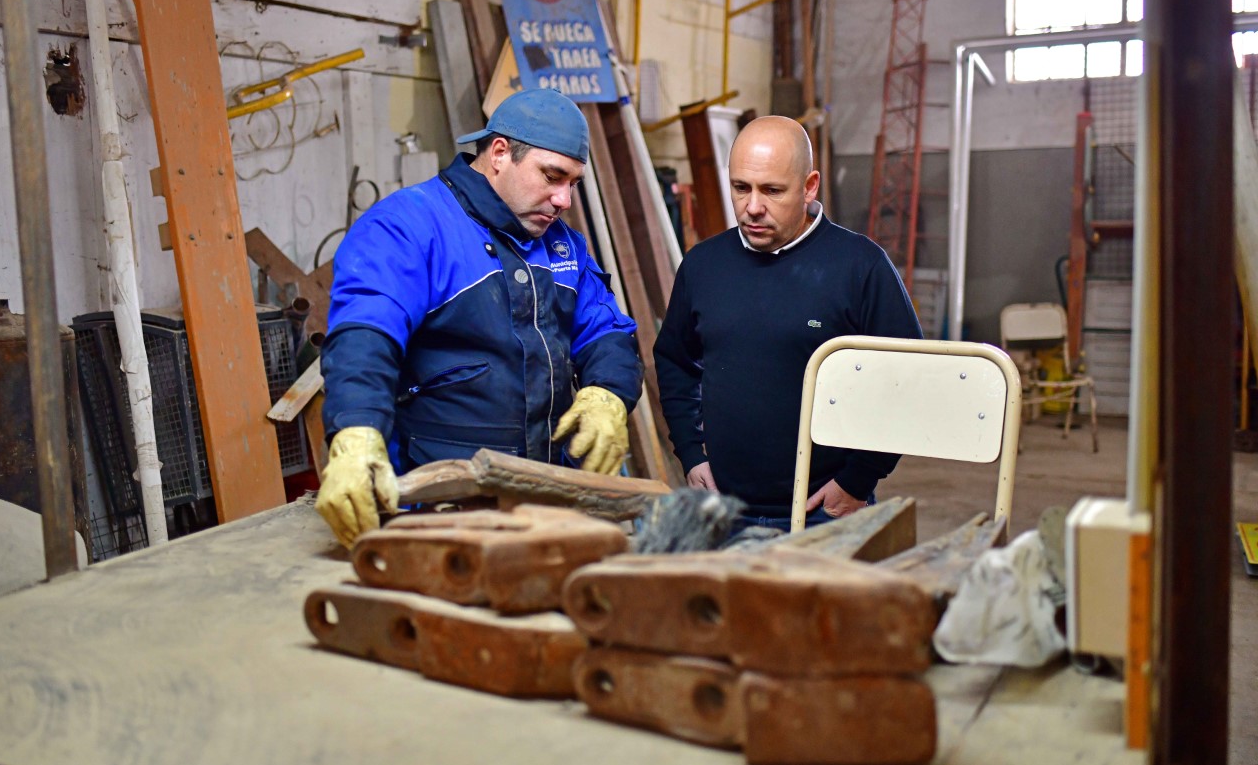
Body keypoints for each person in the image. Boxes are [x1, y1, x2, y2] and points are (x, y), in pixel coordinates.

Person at [315, 89, 643, 547]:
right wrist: (356, 430)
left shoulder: (563, 246)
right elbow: (365, 336)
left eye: (573, 183)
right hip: (438, 507)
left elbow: (607, 330)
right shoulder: (409, 226)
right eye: (552, 176)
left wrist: (608, 392)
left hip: (546, 501)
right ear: (499, 154)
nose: (564, 199)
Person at [653, 115, 923, 535]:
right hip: (722, 508)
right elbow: (674, 361)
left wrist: (858, 480)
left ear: (809, 186)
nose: (753, 206)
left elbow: (906, 380)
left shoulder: (860, 267)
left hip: (826, 509)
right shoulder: (704, 266)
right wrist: (690, 452)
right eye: (741, 188)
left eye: (772, 190)